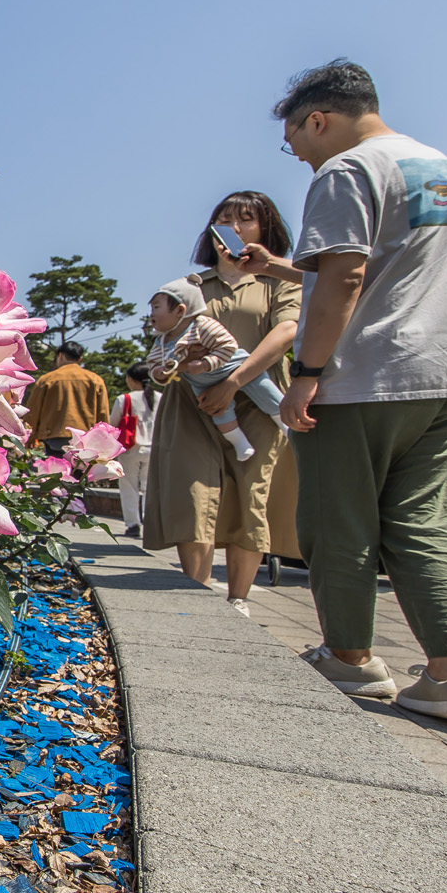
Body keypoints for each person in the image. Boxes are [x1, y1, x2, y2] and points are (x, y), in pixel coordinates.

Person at [234, 59, 447, 722]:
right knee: (425, 521)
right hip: (443, 373)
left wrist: (309, 373)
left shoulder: (345, 171)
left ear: (318, 119)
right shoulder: (436, 167)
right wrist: (286, 269)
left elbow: (346, 281)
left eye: (296, 141)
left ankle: (349, 658)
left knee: (339, 519)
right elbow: (388, 268)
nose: (298, 156)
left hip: (366, 376)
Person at [143, 191, 302, 617]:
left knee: (251, 492)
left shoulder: (281, 281)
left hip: (257, 397)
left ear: (266, 229)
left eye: (244, 220)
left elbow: (287, 332)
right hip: (191, 401)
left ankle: (238, 599)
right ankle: (195, 592)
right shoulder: (190, 286)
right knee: (193, 490)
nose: (230, 229)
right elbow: (165, 335)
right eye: (223, 220)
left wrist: (233, 382)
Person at [145, 279, 285, 461]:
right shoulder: (161, 341)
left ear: (180, 310)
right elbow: (153, 363)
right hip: (202, 383)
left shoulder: (202, 326)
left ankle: (285, 424)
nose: (151, 314)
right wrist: (159, 373)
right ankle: (240, 443)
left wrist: (205, 364)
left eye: (156, 308)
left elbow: (228, 346)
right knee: (219, 413)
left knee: (265, 391)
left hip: (235, 367)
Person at [23, 341, 109, 456]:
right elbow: (103, 413)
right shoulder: (95, 380)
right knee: (80, 473)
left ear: (61, 355)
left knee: (56, 471)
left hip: (53, 436)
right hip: (85, 439)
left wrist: (30, 436)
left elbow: (33, 411)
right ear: (80, 359)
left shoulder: (47, 379)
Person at [106, 361, 157, 537]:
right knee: (150, 487)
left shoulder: (125, 399)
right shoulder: (161, 397)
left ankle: (133, 524)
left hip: (131, 449)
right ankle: (150, 522)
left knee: (129, 487)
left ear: (131, 379)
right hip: (155, 448)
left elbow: (113, 425)